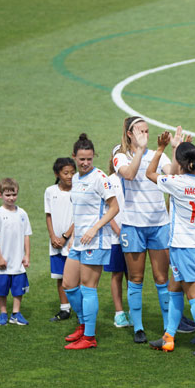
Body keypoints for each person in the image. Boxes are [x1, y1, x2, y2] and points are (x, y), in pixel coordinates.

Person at [146, 132, 195, 356]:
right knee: (174, 286)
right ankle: (168, 336)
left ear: (178, 162)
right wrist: (187, 152)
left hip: (183, 245)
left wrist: (161, 149)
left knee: (194, 293)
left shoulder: (177, 183)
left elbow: (150, 173)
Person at [113, 116, 173, 343]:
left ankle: (169, 327)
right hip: (133, 226)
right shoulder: (121, 156)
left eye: (147, 131)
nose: (145, 134)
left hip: (159, 225)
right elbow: (129, 174)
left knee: (161, 277)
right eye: (140, 131)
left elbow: (172, 174)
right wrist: (140, 150)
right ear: (129, 134)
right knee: (136, 278)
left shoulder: (158, 155)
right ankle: (138, 327)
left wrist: (173, 148)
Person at [62, 134, 119, 349]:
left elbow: (114, 208)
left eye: (89, 159)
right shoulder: (75, 179)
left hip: (95, 242)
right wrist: (74, 235)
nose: (85, 163)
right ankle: (83, 323)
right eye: (81, 159)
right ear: (74, 157)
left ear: (93, 157)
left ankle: (89, 337)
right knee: (68, 285)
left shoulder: (100, 178)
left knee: (88, 287)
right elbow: (79, 212)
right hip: (79, 242)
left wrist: (94, 228)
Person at [0, 178, 32, 326]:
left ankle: (16, 314)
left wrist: (27, 255)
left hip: (18, 260)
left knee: (18, 289)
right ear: (0, 195)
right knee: (2, 290)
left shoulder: (22, 213)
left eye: (14, 194)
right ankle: (3, 313)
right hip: (3, 262)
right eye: (7, 195)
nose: (11, 198)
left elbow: (26, 235)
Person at [45, 158, 75, 322]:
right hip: (56, 242)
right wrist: (53, 237)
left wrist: (65, 236)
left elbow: (79, 217)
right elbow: (48, 215)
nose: (70, 176)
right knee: (60, 276)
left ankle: (79, 309)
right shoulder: (50, 191)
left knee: (75, 277)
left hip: (71, 241)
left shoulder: (77, 191)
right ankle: (64, 309)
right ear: (57, 174)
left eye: (72, 172)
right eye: (66, 173)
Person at [106, 146, 132, 328]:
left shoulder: (133, 179)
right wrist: (118, 230)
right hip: (115, 238)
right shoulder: (109, 181)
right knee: (117, 274)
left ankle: (133, 311)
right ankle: (119, 313)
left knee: (133, 275)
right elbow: (107, 210)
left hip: (133, 234)